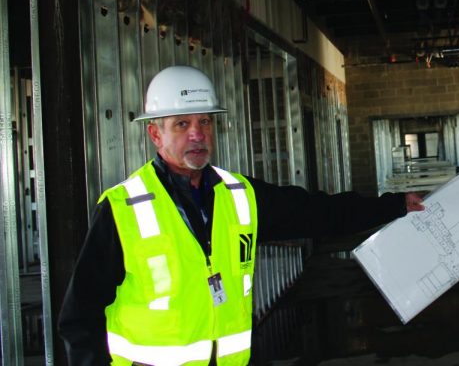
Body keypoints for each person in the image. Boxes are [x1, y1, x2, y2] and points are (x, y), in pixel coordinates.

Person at [58, 65, 424, 365]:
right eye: (182, 125)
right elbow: (80, 317)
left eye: (205, 122)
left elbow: (318, 212)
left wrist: (391, 205)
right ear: (155, 134)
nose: (198, 135)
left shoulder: (239, 196)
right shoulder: (123, 209)